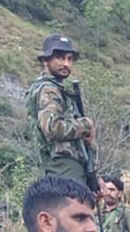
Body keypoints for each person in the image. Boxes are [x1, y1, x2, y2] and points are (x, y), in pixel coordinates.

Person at [27, 34, 95, 190]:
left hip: (66, 167)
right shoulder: (48, 89)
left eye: (70, 59)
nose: (66, 64)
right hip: (62, 166)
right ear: (46, 60)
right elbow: (53, 128)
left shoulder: (56, 88)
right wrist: (86, 125)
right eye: (60, 58)